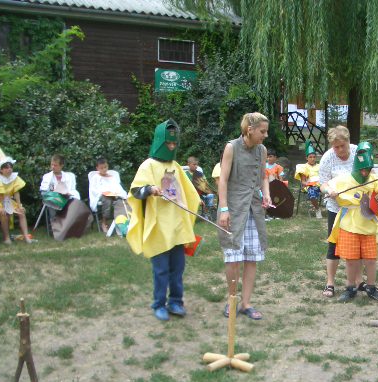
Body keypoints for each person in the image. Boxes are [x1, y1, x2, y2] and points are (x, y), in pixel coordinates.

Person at [126, 119, 200, 322]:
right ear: (160, 141)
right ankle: (158, 304)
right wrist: (150, 189)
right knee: (161, 270)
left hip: (176, 226)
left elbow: (186, 191)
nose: (172, 147)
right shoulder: (148, 166)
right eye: (169, 143)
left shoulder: (175, 166)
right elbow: (135, 191)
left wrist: (195, 200)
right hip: (158, 227)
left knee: (177, 269)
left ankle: (175, 301)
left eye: (175, 143)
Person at [217, 112, 272, 320]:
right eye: (262, 131)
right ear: (250, 129)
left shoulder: (262, 150)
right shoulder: (231, 147)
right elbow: (222, 179)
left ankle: (246, 303)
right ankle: (232, 300)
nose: (265, 135)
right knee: (233, 257)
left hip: (254, 209)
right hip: (233, 208)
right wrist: (224, 209)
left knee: (251, 257)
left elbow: (263, 176)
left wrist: (266, 194)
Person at [324, 141, 378, 302]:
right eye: (362, 169)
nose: (364, 172)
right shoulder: (344, 179)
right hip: (349, 225)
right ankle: (350, 287)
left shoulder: (375, 179)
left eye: (368, 169)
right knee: (351, 259)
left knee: (370, 259)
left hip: (369, 225)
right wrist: (329, 190)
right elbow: (325, 185)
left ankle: (371, 287)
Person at [318, 125, 359, 298]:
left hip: (356, 207)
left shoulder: (358, 152)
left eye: (343, 145)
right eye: (336, 147)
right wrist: (329, 190)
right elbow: (322, 183)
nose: (340, 150)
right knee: (333, 245)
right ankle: (330, 283)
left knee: (357, 245)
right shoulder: (327, 158)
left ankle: (358, 282)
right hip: (336, 208)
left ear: (349, 141)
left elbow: (369, 174)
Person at [0, 143, 33, 245]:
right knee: (3, 214)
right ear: (1, 170)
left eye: (10, 167)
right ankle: (6, 238)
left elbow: (16, 192)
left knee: (21, 212)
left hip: (9, 201)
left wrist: (19, 205)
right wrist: (1, 207)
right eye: (6, 168)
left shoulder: (14, 178)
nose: (9, 169)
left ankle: (26, 236)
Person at [88, 157, 128, 234]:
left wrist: (117, 194)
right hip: (103, 196)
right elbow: (93, 189)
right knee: (107, 200)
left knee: (121, 201)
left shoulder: (112, 177)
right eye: (101, 168)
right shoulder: (96, 178)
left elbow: (118, 187)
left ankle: (122, 222)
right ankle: (104, 222)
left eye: (105, 167)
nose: (104, 169)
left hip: (114, 195)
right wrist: (104, 192)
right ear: (97, 168)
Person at [39, 154, 80, 219]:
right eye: (52, 164)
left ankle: (70, 222)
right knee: (51, 201)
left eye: (55, 165)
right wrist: (54, 193)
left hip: (67, 198)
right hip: (53, 199)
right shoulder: (47, 177)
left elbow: (73, 190)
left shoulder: (69, 177)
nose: (53, 167)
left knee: (74, 202)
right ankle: (55, 222)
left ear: (61, 165)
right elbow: (44, 191)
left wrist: (69, 193)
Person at [294, 140, 322, 218]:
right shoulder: (303, 167)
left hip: (321, 185)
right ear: (306, 158)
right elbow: (303, 181)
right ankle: (317, 209)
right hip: (310, 186)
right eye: (310, 157)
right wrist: (308, 183)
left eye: (314, 157)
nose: (312, 159)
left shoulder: (320, 166)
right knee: (312, 192)